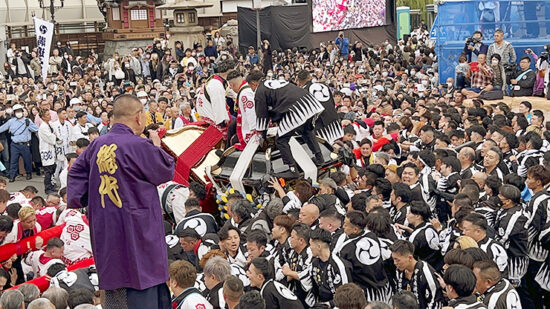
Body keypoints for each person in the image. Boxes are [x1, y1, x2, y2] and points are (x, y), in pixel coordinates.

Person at [67, 94, 175, 308]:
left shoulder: (97, 144)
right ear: (139, 117)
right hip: (138, 228)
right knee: (142, 281)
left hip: (106, 227)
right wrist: (156, 146)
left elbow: (75, 177)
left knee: (115, 285)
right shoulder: (139, 145)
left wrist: (92, 200)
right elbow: (165, 170)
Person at [253, 72, 325, 179]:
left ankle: (292, 169)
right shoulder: (275, 81)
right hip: (310, 102)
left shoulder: (260, 91)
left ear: (254, 84)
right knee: (305, 130)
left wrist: (262, 136)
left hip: (297, 107)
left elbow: (262, 116)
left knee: (281, 139)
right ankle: (319, 158)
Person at [390, 239, 444, 309]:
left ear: (410, 258)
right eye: (393, 259)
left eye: (397, 260)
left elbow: (435, 302)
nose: (395, 263)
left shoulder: (426, 273)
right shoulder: (399, 270)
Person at [309, 228, 352, 306]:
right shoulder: (314, 263)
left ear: (319, 246)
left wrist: (329, 304)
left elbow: (347, 295)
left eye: (311, 245)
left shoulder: (339, 265)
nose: (310, 248)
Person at [0, 104, 39, 182]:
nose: (18, 113)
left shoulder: (27, 121)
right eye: (16, 111)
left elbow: (36, 129)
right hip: (14, 144)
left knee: (27, 160)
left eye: (19, 111)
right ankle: (12, 176)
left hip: (25, 144)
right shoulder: (11, 121)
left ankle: (29, 173)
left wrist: (29, 125)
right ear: (14, 113)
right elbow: (2, 128)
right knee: (13, 161)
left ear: (22, 111)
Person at [196, 59, 234, 139]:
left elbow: (232, 93)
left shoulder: (215, 80)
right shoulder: (217, 85)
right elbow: (218, 106)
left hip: (206, 114)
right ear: (230, 71)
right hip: (213, 118)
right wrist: (223, 123)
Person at [226, 69, 258, 150]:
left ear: (232, 85)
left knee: (233, 139)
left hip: (252, 127)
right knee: (231, 126)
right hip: (248, 121)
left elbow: (251, 113)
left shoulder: (245, 93)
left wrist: (253, 132)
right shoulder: (245, 89)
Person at [37, 109, 58, 194]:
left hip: (51, 149)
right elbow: (50, 138)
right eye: (47, 115)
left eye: (49, 114)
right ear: (43, 117)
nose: (49, 116)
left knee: (52, 168)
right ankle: (48, 188)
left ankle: (51, 185)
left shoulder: (50, 124)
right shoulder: (43, 127)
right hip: (46, 150)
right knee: (48, 170)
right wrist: (54, 135)